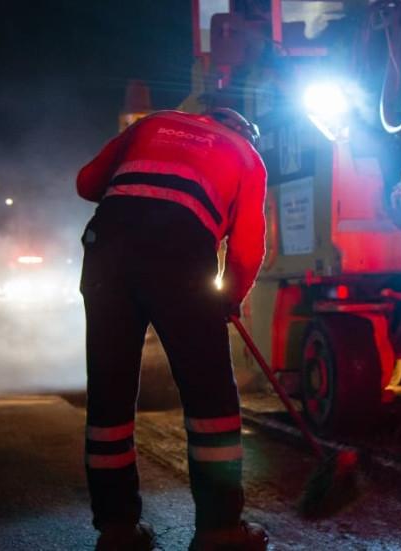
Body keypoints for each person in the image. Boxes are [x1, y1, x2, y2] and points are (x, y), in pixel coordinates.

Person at [76, 107, 269, 551]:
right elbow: (246, 249)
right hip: (180, 256)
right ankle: (219, 532)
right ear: (244, 132)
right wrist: (229, 297)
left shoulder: (153, 123)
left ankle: (117, 531)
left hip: (107, 251)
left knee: (110, 394)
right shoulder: (247, 155)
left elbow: (87, 183)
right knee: (211, 398)